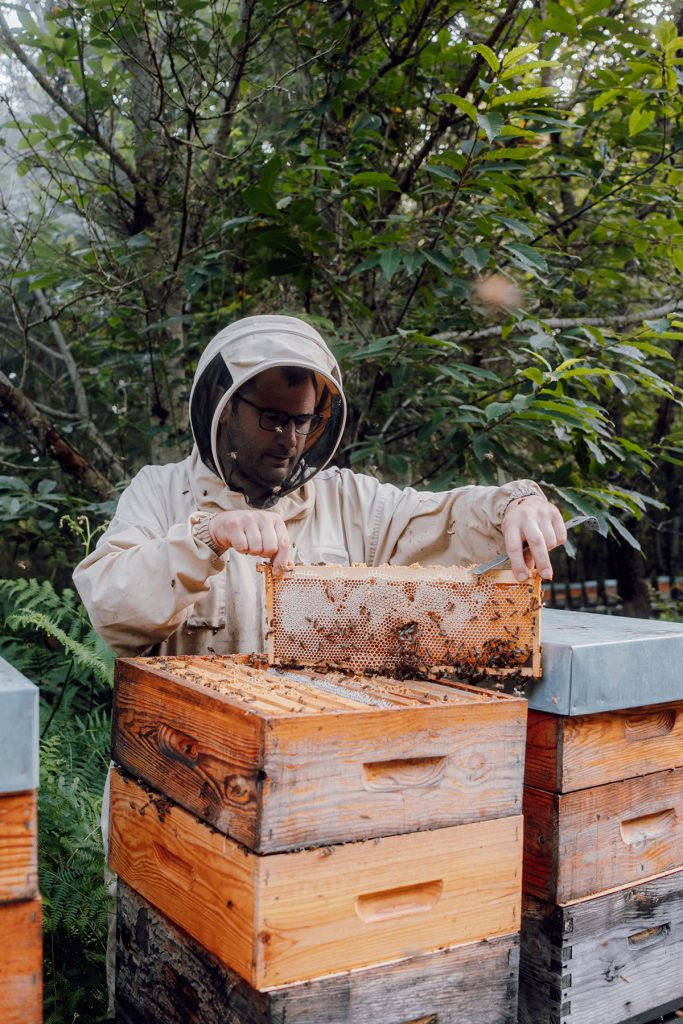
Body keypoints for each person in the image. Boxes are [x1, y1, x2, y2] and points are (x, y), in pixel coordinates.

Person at [74, 314, 566, 659]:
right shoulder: (159, 492)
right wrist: (207, 537)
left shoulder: (349, 501)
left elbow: (442, 521)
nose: (290, 438)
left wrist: (511, 506)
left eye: (303, 421)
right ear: (224, 408)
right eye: (272, 417)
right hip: (184, 756)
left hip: (316, 754)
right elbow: (112, 610)